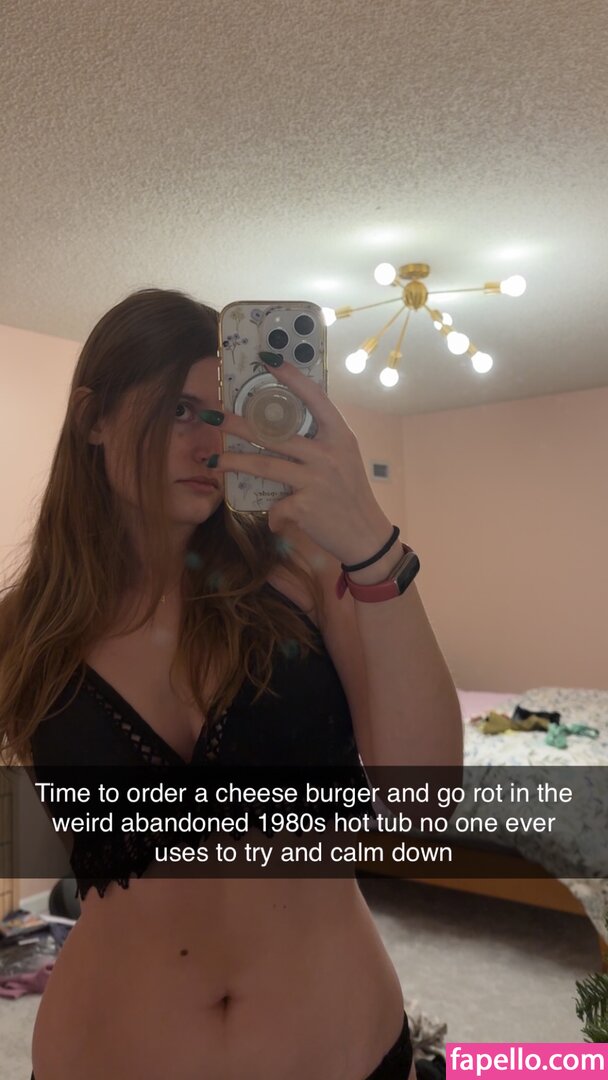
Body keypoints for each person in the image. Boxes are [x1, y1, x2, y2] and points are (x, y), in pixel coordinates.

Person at [0, 288, 463, 1079]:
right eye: (180, 412)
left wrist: (371, 544)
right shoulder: (25, 629)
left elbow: (427, 806)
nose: (210, 443)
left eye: (224, 414)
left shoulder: (308, 572)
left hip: (338, 1048)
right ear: (93, 419)